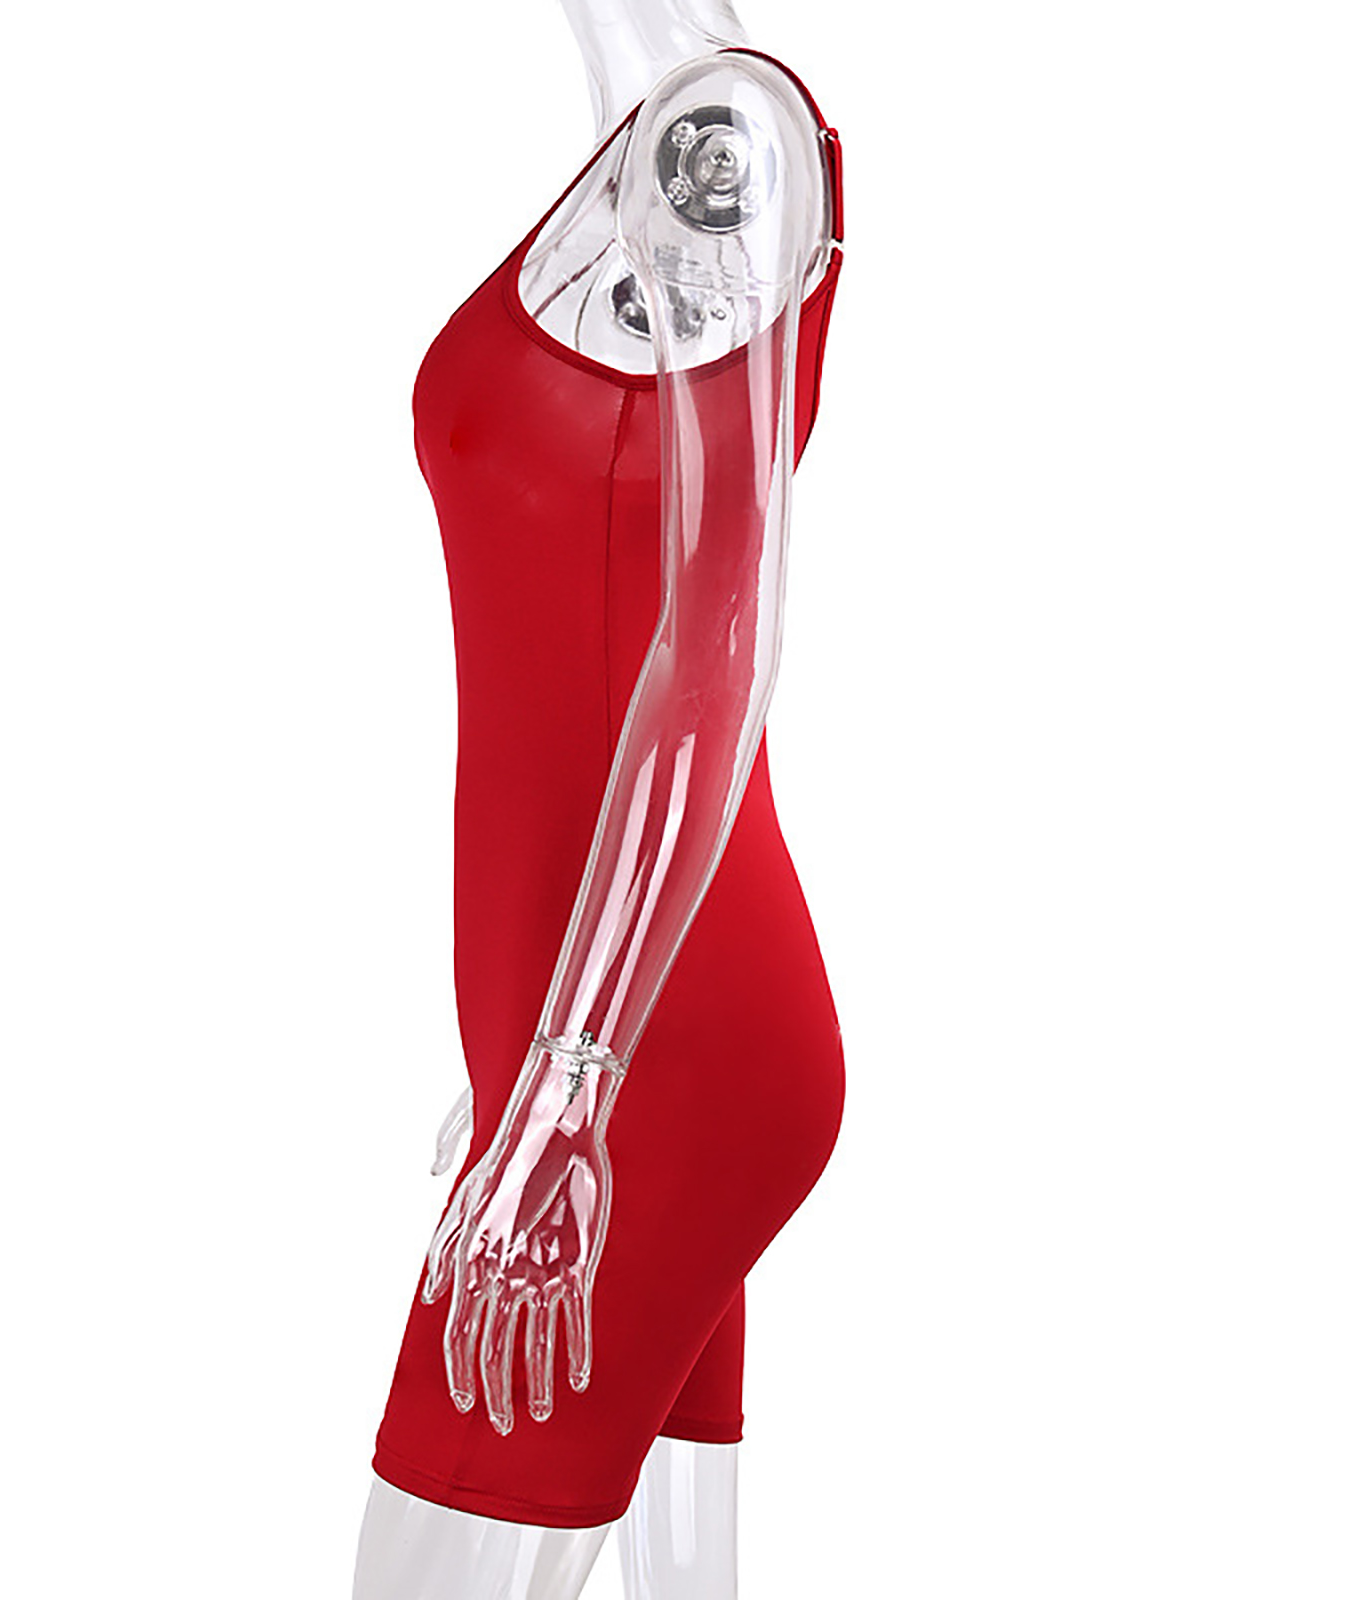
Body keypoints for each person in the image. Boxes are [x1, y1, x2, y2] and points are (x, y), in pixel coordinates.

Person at [352, 3, 848, 1594]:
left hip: (653, 1051)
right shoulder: (654, 148)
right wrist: (525, 1043)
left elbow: (719, 645)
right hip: (582, 1014)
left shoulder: (726, 144)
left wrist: (571, 1084)